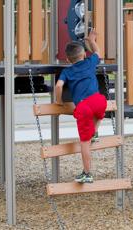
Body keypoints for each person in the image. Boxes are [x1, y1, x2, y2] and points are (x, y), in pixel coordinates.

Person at [55, 29, 107, 183]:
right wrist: (91, 40)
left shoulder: (67, 71)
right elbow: (98, 51)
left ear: (68, 59)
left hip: (83, 107)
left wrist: (59, 101)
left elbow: (58, 86)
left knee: (84, 142)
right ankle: (95, 132)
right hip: (99, 100)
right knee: (100, 113)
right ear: (84, 54)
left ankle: (87, 173)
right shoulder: (90, 62)